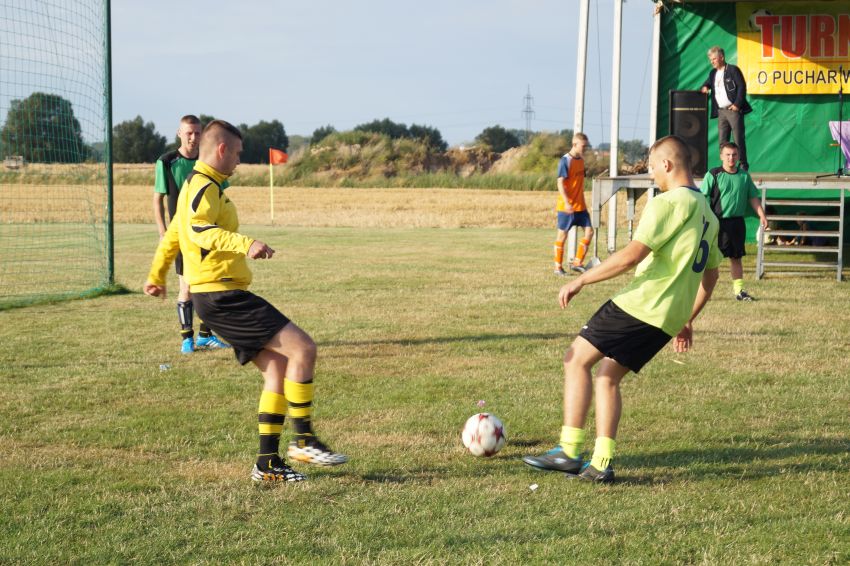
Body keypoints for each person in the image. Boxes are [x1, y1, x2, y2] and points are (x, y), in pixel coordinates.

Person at [144, 120, 347, 483]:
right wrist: (245, 243)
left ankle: (267, 464)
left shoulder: (197, 184)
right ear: (222, 149)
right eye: (237, 153)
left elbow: (174, 234)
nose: (239, 160)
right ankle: (303, 440)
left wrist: (156, 275)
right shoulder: (203, 185)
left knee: (277, 369)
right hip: (222, 295)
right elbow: (199, 230)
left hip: (213, 296)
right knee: (303, 348)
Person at [524, 135, 721, 483]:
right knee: (607, 377)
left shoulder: (667, 203)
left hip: (642, 305)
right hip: (666, 319)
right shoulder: (708, 212)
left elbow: (631, 256)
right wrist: (686, 318)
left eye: (652, 168)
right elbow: (711, 276)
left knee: (575, 359)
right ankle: (601, 464)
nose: (651, 175)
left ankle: (569, 451)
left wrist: (581, 280)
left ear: (667, 165)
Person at [153, 114, 230, 354]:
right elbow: (157, 199)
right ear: (179, 133)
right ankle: (187, 339)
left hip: (209, 234)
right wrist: (163, 231)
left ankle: (206, 336)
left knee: (213, 286)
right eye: (189, 133)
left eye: (197, 133)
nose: (193, 138)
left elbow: (222, 196)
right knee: (186, 286)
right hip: (183, 236)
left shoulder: (210, 161)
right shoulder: (167, 162)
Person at [700, 142, 768, 301]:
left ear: (738, 156)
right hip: (717, 223)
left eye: (734, 155)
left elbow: (753, 197)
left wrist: (762, 215)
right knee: (708, 259)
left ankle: (739, 291)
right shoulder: (713, 174)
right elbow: (702, 197)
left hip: (737, 224)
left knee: (736, 258)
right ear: (721, 156)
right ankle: (699, 291)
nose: (731, 158)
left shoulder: (744, 176)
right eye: (728, 155)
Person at [700, 46, 752, 170]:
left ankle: (743, 165)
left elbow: (742, 86)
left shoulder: (733, 70)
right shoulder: (713, 73)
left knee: (738, 139)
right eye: (710, 59)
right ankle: (725, 166)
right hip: (721, 111)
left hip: (733, 110)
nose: (712, 62)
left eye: (714, 59)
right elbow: (707, 83)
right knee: (722, 141)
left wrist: (737, 104)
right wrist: (705, 87)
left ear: (722, 57)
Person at [553, 132, 594, 276]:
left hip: (580, 206)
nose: (585, 149)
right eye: (583, 146)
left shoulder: (581, 161)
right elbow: (560, 183)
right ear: (574, 144)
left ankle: (577, 263)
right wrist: (566, 202)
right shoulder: (565, 160)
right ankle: (558, 267)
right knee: (562, 235)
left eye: (586, 146)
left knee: (589, 232)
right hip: (567, 207)